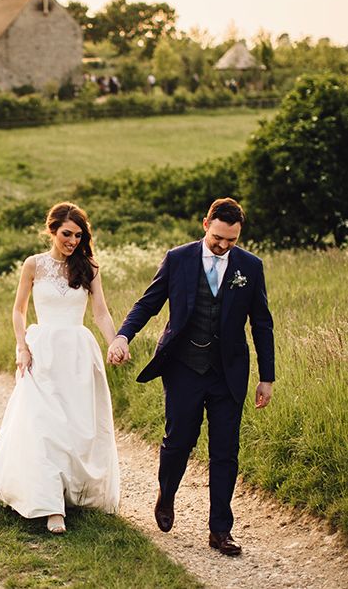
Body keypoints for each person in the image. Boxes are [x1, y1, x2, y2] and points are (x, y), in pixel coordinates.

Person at [107, 198, 274, 556]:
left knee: (226, 451)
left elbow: (262, 323)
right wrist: (123, 336)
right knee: (178, 440)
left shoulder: (250, 267)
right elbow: (147, 303)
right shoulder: (178, 258)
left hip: (228, 373)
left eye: (231, 240)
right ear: (205, 225)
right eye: (218, 238)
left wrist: (267, 377)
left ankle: (220, 531)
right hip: (183, 367)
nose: (224, 246)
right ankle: (166, 495)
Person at [0, 202, 121, 534]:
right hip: (41, 352)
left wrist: (114, 341)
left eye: (78, 235)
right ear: (52, 230)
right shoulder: (34, 265)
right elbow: (18, 310)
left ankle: (70, 493)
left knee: (75, 427)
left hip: (77, 354)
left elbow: (100, 313)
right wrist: (21, 346)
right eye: (66, 234)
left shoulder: (90, 268)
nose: (72, 240)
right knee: (43, 426)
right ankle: (50, 506)